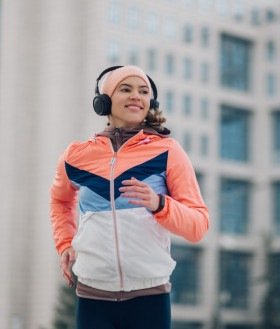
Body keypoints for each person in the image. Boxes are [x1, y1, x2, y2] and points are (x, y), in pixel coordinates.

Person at [49, 65, 209, 329]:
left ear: (151, 102)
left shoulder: (167, 152)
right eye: (126, 89)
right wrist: (65, 242)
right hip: (92, 296)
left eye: (143, 91)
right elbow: (60, 201)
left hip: (149, 298)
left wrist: (159, 204)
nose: (136, 96)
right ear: (104, 101)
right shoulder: (76, 156)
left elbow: (198, 225)